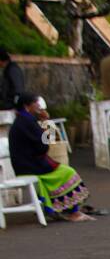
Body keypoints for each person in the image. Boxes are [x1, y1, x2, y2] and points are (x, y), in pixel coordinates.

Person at [7, 94, 94, 222]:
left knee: (64, 171)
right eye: (35, 103)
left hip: (26, 164)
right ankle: (72, 212)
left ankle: (62, 209)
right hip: (31, 166)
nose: (39, 106)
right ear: (27, 106)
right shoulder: (27, 122)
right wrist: (48, 122)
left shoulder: (24, 120)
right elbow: (45, 145)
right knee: (68, 173)